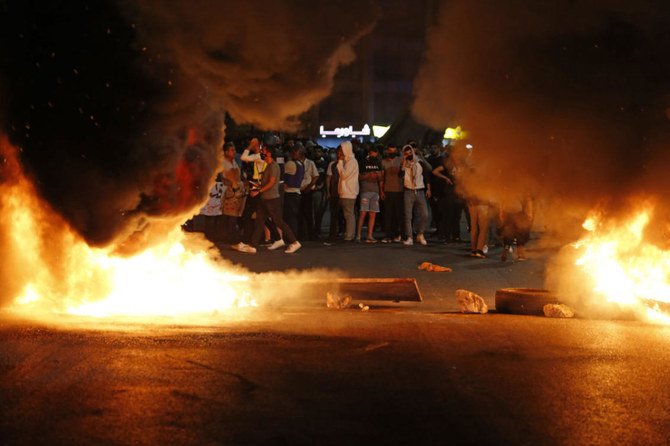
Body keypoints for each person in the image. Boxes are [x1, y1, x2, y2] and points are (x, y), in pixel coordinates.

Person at [250, 145, 301, 253]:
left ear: (269, 153)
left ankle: (294, 242)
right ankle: (253, 246)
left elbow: (272, 182)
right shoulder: (267, 165)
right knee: (260, 221)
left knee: (278, 222)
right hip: (265, 199)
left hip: (272, 199)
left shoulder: (274, 166)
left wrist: (259, 191)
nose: (261, 153)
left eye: (263, 151)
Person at [220, 142, 254, 253]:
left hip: (238, 192)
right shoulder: (223, 163)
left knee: (234, 216)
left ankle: (231, 237)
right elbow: (222, 178)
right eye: (231, 150)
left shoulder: (234, 161)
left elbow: (239, 176)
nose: (234, 152)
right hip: (230, 193)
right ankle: (230, 239)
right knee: (230, 216)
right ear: (225, 152)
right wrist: (230, 184)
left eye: (234, 150)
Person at [399, 144, 431, 246]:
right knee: (408, 215)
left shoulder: (419, 162)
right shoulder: (404, 164)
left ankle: (420, 234)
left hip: (420, 190)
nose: (408, 155)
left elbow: (427, 174)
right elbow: (400, 175)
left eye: (410, 153)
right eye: (406, 153)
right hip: (408, 191)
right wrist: (404, 161)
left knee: (425, 214)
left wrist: (428, 189)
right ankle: (409, 237)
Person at [356, 145, 383, 243]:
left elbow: (381, 177)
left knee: (373, 214)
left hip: (375, 191)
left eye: (376, 155)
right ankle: (358, 235)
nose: (374, 156)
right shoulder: (363, 162)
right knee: (363, 212)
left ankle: (369, 236)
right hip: (365, 190)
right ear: (369, 153)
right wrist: (369, 175)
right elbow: (359, 177)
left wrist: (381, 191)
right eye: (373, 154)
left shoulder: (378, 162)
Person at [499, 194, 534, 261]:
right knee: (520, 233)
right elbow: (528, 199)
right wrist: (530, 213)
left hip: (508, 213)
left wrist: (501, 212)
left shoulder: (506, 187)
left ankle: (506, 250)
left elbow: (502, 200)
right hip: (518, 213)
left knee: (509, 233)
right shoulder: (522, 187)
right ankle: (520, 254)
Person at [337, 141, 359, 242]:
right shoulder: (348, 161)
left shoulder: (351, 162)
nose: (340, 152)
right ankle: (350, 234)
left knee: (348, 215)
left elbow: (344, 175)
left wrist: (340, 162)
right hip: (346, 191)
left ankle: (349, 236)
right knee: (348, 215)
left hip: (349, 192)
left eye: (342, 150)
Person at [381, 144, 403, 243]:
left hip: (399, 190)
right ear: (387, 151)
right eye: (390, 151)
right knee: (388, 214)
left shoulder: (401, 160)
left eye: (394, 151)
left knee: (398, 214)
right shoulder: (383, 162)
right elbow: (382, 178)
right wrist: (381, 190)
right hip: (388, 190)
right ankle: (388, 236)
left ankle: (398, 234)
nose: (392, 153)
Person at [282, 146, 304, 238]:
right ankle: (294, 235)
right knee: (293, 217)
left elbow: (286, 179)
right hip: (297, 193)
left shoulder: (290, 164)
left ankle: (291, 237)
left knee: (289, 217)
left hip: (290, 193)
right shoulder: (301, 164)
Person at [298, 148, 319, 240]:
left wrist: (309, 187)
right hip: (299, 190)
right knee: (300, 213)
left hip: (308, 190)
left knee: (308, 213)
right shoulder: (296, 163)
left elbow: (316, 176)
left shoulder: (310, 163)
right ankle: (301, 234)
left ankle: (311, 234)